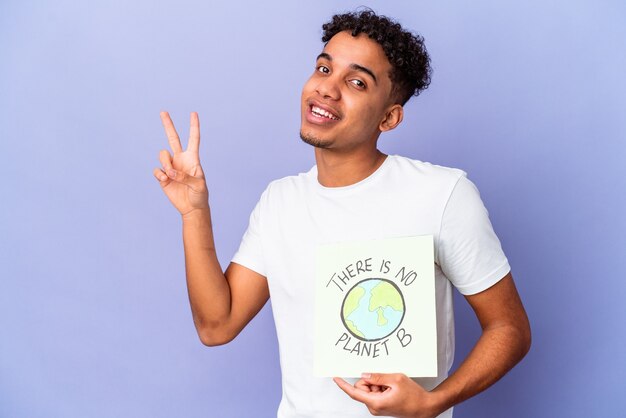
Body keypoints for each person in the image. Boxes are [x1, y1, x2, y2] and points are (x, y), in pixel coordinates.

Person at [153, 10, 531, 418]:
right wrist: (195, 214)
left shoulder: (443, 194)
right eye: (323, 68)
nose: (327, 89)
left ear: (389, 117)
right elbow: (217, 325)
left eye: (356, 82)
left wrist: (433, 402)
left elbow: (509, 328)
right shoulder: (280, 202)